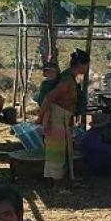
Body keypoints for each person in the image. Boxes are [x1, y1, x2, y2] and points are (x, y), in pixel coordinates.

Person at [39, 49, 90, 188]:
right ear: (80, 65)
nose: (87, 69)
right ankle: (57, 187)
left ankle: (65, 181)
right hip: (55, 117)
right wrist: (40, 119)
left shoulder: (71, 78)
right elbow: (49, 98)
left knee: (63, 151)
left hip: (64, 118)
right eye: (86, 65)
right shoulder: (66, 80)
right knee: (56, 153)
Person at [79, 112, 111, 176]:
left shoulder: (93, 133)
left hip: (93, 158)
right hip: (93, 162)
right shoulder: (93, 135)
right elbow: (98, 147)